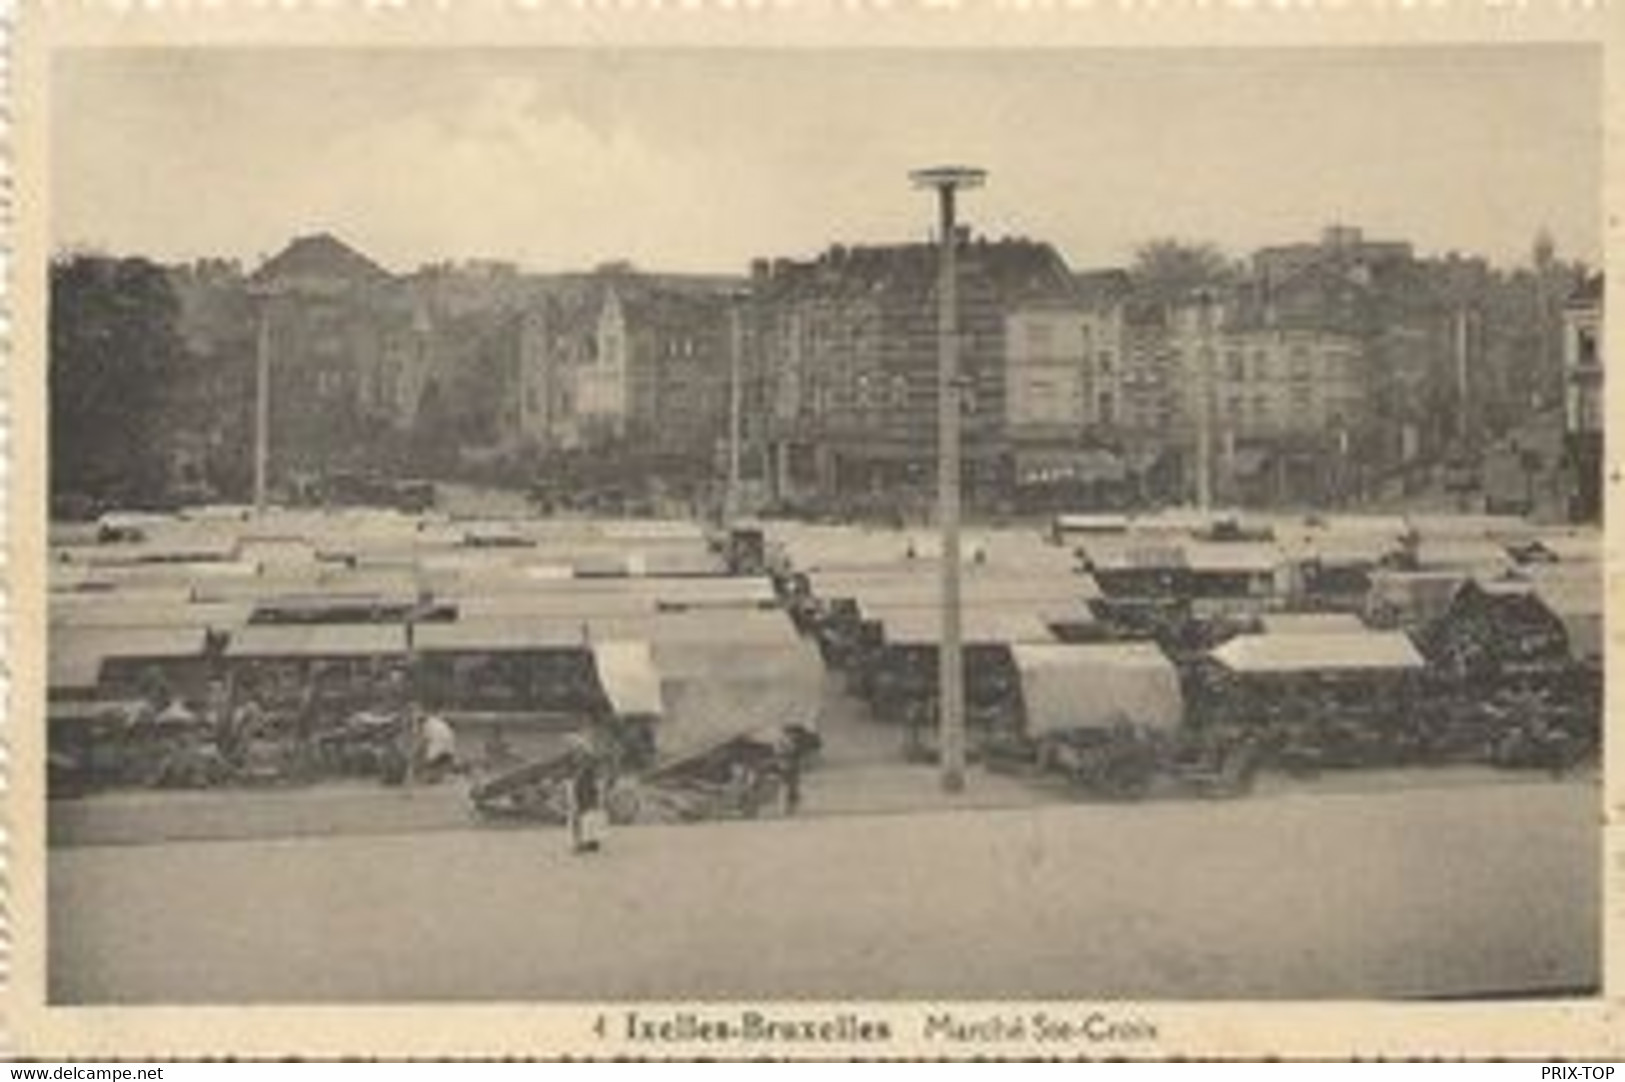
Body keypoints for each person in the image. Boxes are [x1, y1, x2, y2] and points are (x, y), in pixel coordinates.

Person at [565, 737, 606, 855]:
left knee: (584, 815)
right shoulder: (581, 760)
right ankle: (586, 841)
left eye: (575, 746)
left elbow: (594, 776)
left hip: (586, 789)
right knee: (585, 815)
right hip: (584, 788)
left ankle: (585, 842)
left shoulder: (586, 760)